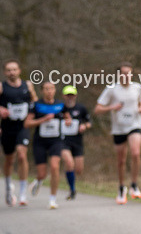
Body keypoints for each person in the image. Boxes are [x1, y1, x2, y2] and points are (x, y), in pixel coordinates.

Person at [94, 63, 141, 204]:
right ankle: (121, 187)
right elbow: (97, 109)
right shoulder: (111, 89)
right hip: (118, 128)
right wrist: (112, 107)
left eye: (129, 73)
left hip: (134, 124)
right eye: (123, 73)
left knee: (135, 153)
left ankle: (134, 185)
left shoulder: (137, 87)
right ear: (118, 75)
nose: (126, 76)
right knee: (121, 160)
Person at [1, 60, 37, 206]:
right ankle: (8, 188)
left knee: (22, 155)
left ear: (19, 71)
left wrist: (32, 115)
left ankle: (22, 193)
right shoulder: (2, 87)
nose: (12, 72)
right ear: (5, 72)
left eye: (14, 69)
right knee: (9, 159)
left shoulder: (27, 85)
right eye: (9, 70)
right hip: (7, 127)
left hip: (23, 126)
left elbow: (35, 101)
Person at [25, 82, 65, 210]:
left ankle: (52, 199)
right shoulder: (36, 105)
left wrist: (69, 120)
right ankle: (38, 180)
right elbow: (27, 123)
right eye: (46, 89)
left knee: (54, 166)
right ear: (42, 91)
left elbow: (67, 118)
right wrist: (43, 120)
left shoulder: (60, 105)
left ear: (55, 90)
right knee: (42, 174)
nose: (49, 91)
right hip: (40, 142)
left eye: (51, 88)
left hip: (56, 141)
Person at [59, 85, 91, 200]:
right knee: (69, 163)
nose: (70, 97)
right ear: (64, 96)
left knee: (78, 169)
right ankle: (72, 189)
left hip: (77, 141)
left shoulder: (81, 108)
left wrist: (84, 126)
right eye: (68, 95)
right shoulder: (60, 108)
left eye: (72, 95)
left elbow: (89, 122)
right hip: (63, 141)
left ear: (75, 96)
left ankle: (71, 180)